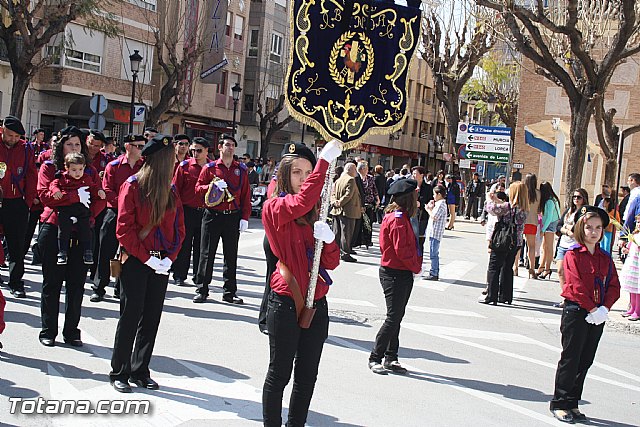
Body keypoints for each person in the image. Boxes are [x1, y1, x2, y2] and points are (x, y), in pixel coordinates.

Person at [261, 140, 341, 426]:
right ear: (284, 174)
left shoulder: (314, 210)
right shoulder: (275, 207)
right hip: (286, 300)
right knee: (279, 373)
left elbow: (330, 263)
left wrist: (330, 242)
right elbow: (302, 200)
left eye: (309, 172)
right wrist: (323, 163)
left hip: (317, 302)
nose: (304, 178)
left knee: (307, 375)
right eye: (297, 172)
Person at [109, 134, 185, 393]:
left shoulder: (172, 190)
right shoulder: (132, 186)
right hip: (137, 259)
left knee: (151, 318)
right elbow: (124, 230)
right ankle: (120, 370)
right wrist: (147, 257)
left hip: (161, 262)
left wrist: (170, 258)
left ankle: (141, 370)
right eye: (171, 157)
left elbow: (180, 229)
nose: (175, 161)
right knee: (130, 316)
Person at [549, 206, 620, 423]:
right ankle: (560, 402)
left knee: (586, 359)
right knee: (571, 358)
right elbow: (575, 286)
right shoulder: (573, 255)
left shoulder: (605, 258)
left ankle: (573, 401)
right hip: (577, 311)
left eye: (598, 228)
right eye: (589, 227)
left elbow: (614, 286)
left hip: (597, 314)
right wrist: (591, 309)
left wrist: (604, 309)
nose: (594, 232)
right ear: (581, 228)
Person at [37, 131, 102, 347]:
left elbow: (99, 198)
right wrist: (74, 198)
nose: (74, 148)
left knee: (76, 286)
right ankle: (48, 330)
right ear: (61, 147)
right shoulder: (50, 168)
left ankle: (71, 330)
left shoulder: (89, 171)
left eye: (77, 144)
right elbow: (46, 196)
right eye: (69, 144)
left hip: (81, 232)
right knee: (52, 284)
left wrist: (87, 214)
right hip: (55, 229)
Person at [368, 179, 422, 375]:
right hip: (395, 272)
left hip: (399, 271)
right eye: (415, 196)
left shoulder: (400, 216)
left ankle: (391, 356)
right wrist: (417, 266)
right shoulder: (398, 219)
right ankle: (376, 356)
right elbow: (402, 250)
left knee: (397, 316)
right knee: (393, 317)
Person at [193, 134, 251, 304]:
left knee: (231, 255)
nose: (230, 147)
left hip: (232, 216)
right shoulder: (210, 168)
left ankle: (229, 292)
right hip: (212, 215)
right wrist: (211, 186)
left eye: (232, 145)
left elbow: (246, 195)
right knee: (206, 254)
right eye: (227, 144)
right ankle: (202, 289)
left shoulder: (241, 169)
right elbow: (197, 189)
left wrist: (245, 217)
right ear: (219, 147)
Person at [91, 134, 145, 302]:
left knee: (126, 252)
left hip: (134, 216)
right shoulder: (113, 166)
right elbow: (107, 190)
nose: (142, 150)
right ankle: (99, 287)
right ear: (128, 146)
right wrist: (123, 204)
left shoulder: (144, 166)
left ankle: (119, 286)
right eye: (139, 146)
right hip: (114, 212)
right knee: (106, 250)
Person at [0, 115, 38, 298]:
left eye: (17, 137)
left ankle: (16, 282)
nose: (13, 139)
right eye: (10, 135)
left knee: (16, 245)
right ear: (3, 130)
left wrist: (27, 202)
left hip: (17, 202)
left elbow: (32, 175)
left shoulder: (26, 149)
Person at [49, 152, 106, 264]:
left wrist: (99, 191)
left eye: (80, 169)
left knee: (85, 229)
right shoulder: (62, 178)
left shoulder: (86, 178)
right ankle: (62, 252)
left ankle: (87, 251)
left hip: (81, 208)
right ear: (67, 168)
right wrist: (56, 191)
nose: (77, 173)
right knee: (64, 230)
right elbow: (53, 184)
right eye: (74, 170)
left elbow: (93, 187)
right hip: (66, 208)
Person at [479, 181, 528, 305]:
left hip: (502, 239)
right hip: (516, 241)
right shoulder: (524, 208)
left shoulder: (508, 207)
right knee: (507, 267)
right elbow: (507, 207)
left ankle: (491, 295)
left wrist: (489, 199)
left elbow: (491, 209)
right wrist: (496, 199)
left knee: (494, 267)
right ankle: (505, 295)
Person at [171, 137, 211, 286]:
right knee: (184, 244)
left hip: (206, 212)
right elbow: (175, 190)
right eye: (193, 150)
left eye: (199, 150)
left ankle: (198, 277)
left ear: (207, 151)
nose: (195, 153)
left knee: (202, 247)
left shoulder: (212, 168)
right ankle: (179, 275)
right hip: (186, 211)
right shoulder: (184, 166)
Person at [556, 188, 589, 297]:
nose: (576, 199)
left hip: (575, 245)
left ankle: (573, 296)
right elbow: (559, 225)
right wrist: (566, 230)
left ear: (584, 199)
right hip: (563, 244)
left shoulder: (585, 212)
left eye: (578, 197)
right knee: (560, 271)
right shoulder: (569, 211)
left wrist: (569, 227)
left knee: (573, 273)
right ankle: (565, 296)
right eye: (574, 197)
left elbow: (578, 228)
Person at [330, 163, 361, 262]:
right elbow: (349, 195)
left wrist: (334, 202)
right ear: (350, 170)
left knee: (337, 233)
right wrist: (339, 203)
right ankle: (345, 254)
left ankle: (335, 253)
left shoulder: (338, 180)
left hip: (337, 211)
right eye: (355, 169)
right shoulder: (350, 180)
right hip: (348, 211)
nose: (356, 172)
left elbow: (333, 193)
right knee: (346, 234)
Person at [537, 181, 561, 279]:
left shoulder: (550, 201)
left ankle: (547, 269)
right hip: (550, 224)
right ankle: (542, 267)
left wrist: (543, 229)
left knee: (549, 247)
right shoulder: (553, 199)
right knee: (545, 247)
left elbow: (549, 217)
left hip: (550, 224)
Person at [620, 210, 640, 320]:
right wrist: (625, 249)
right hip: (632, 264)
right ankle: (632, 308)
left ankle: (638, 310)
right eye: (637, 222)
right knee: (632, 288)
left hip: (638, 265)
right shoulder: (634, 235)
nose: (639, 224)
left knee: (638, 288)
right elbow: (630, 246)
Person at [424, 184, 447, 281]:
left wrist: (428, 209)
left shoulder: (441, 204)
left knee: (433, 254)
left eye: (434, 194)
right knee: (433, 253)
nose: (433, 196)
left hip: (436, 233)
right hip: (434, 232)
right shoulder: (439, 204)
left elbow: (435, 216)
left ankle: (434, 272)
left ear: (439, 194)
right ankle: (434, 271)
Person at [523, 173, 541, 278]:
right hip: (533, 221)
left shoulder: (523, 192)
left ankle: (515, 267)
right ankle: (532, 267)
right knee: (532, 246)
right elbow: (539, 209)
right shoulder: (538, 193)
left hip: (521, 221)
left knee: (518, 245)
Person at [411, 166, 433, 253]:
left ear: (422, 175)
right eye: (413, 174)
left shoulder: (428, 188)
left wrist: (421, 204)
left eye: (415, 174)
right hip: (410, 215)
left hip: (422, 216)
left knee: (420, 239)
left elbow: (430, 201)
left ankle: (419, 258)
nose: (413, 176)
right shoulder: (410, 186)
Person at [357, 161, 378, 248]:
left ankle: (368, 240)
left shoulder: (370, 178)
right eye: (365, 168)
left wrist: (377, 198)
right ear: (361, 169)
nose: (367, 170)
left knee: (368, 222)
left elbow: (374, 189)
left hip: (369, 202)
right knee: (360, 223)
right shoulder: (357, 178)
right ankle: (359, 240)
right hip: (359, 203)